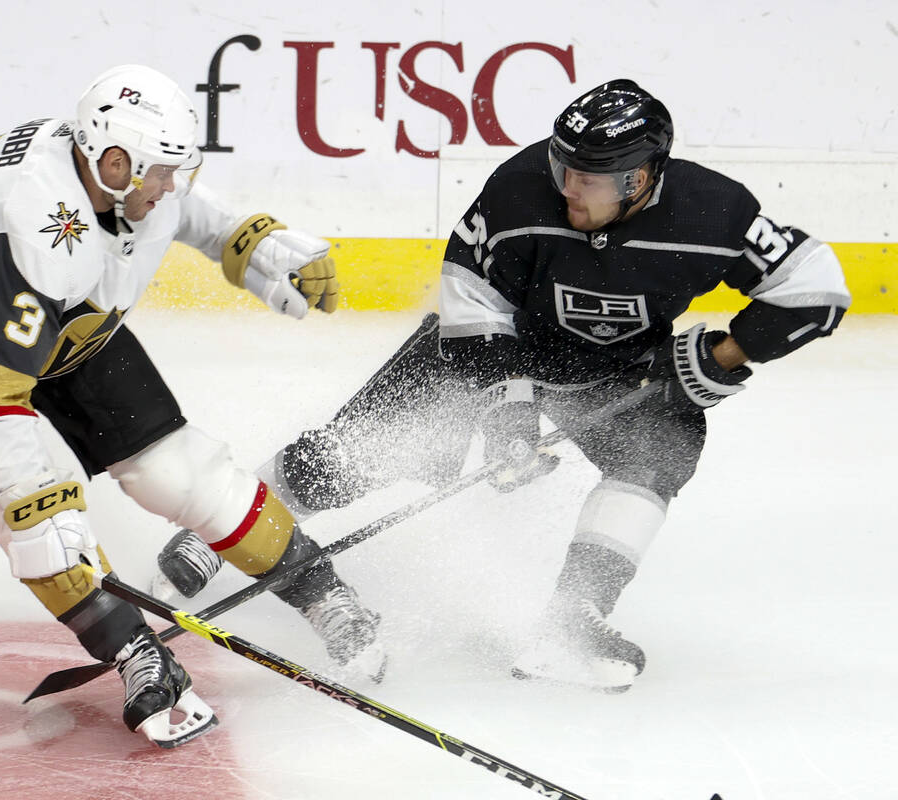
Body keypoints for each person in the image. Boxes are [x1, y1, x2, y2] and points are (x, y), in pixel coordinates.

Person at [152, 78, 851, 692]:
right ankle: (218, 531)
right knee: (363, 449)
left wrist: (723, 356)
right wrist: (507, 404)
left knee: (659, 451)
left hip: (617, 372)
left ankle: (573, 621)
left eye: (588, 176)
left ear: (639, 178)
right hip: (485, 352)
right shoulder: (520, 189)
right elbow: (469, 299)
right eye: (563, 164)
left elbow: (818, 289)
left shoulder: (714, 211)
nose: (566, 183)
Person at [0, 64, 385, 749]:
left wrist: (246, 239)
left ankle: (323, 593)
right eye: (158, 172)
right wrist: (39, 497)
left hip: (62, 318)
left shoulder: (119, 179)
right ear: (114, 161)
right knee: (35, 521)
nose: (169, 187)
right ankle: (132, 650)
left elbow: (183, 207)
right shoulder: (34, 228)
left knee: (179, 473)